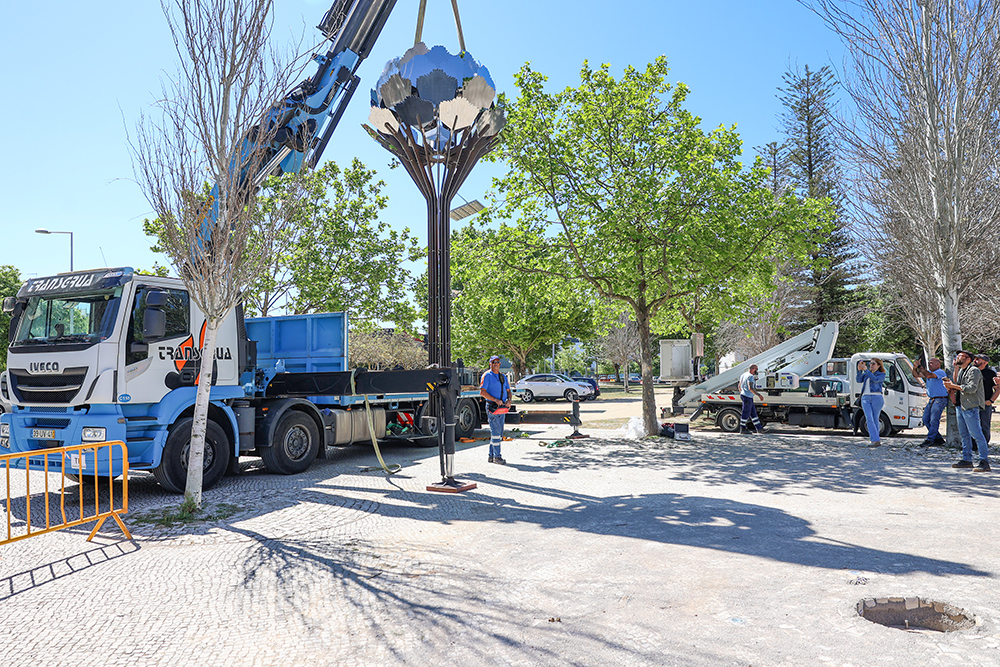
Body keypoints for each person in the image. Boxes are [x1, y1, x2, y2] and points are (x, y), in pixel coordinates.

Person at [943, 350, 990, 472]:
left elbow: (971, 388)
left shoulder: (974, 371)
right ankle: (967, 460)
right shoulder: (962, 371)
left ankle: (984, 461)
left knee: (977, 434)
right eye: (958, 355)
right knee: (964, 435)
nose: (958, 357)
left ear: (968, 359)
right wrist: (951, 386)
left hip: (970, 407)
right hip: (961, 406)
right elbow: (959, 386)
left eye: (961, 356)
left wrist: (953, 386)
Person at [480, 355, 511, 464]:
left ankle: (491, 456)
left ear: (500, 364)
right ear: (490, 364)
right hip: (492, 407)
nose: (496, 364)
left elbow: (508, 391)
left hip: (501, 408)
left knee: (499, 433)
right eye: (493, 362)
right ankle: (497, 457)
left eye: (497, 362)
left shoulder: (503, 377)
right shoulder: (487, 376)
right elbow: (482, 392)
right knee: (496, 432)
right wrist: (495, 400)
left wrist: (509, 400)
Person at [912, 357, 948, 446]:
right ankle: (938, 438)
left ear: (938, 364)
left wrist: (920, 366)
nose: (929, 364)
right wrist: (915, 367)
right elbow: (916, 375)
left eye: (931, 363)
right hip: (932, 399)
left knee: (934, 420)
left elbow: (929, 375)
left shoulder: (940, 372)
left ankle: (930, 439)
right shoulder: (928, 372)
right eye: (929, 363)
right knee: (925, 419)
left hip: (940, 399)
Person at [856, 357, 886, 447]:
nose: (871, 365)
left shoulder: (881, 374)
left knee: (875, 419)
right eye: (870, 363)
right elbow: (858, 380)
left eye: (873, 364)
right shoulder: (867, 374)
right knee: (869, 418)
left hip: (877, 397)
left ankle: (875, 439)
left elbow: (875, 379)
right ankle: (875, 440)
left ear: (878, 365)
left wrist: (866, 370)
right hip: (865, 397)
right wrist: (859, 370)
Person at [973, 354, 998, 445]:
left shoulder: (990, 373)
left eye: (978, 359)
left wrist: (991, 401)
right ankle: (972, 445)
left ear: (985, 362)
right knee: (971, 425)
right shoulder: (970, 371)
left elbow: (997, 388)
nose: (975, 360)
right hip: (971, 403)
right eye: (975, 359)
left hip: (984, 403)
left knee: (984, 425)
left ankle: (983, 445)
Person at [738, 364, 764, 434]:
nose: (757, 371)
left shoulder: (743, 375)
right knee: (746, 413)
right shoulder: (750, 376)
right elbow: (750, 388)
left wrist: (742, 393)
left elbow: (739, 386)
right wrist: (759, 395)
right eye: (756, 369)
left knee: (753, 413)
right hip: (748, 397)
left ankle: (759, 428)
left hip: (745, 396)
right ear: (753, 369)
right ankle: (742, 428)